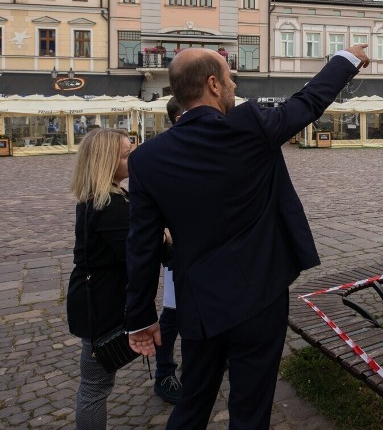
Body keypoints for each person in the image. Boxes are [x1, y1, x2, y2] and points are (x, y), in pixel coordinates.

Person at [125, 44, 370, 429]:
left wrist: (139, 318)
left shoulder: (146, 159)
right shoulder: (251, 125)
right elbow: (308, 101)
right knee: (250, 410)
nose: (234, 84)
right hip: (260, 296)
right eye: (229, 77)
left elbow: (141, 245)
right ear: (213, 84)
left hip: (200, 303)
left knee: (192, 405)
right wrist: (346, 59)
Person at [66, 129, 133, 429]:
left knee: (96, 385)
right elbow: (136, 253)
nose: (132, 157)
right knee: (95, 387)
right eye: (126, 154)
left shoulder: (106, 195)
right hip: (99, 304)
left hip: (96, 298)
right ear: (107, 162)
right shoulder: (107, 203)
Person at [153, 95, 183, 404]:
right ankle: (164, 373)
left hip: (206, 249)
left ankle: (204, 361)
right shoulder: (163, 153)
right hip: (177, 250)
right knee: (173, 314)